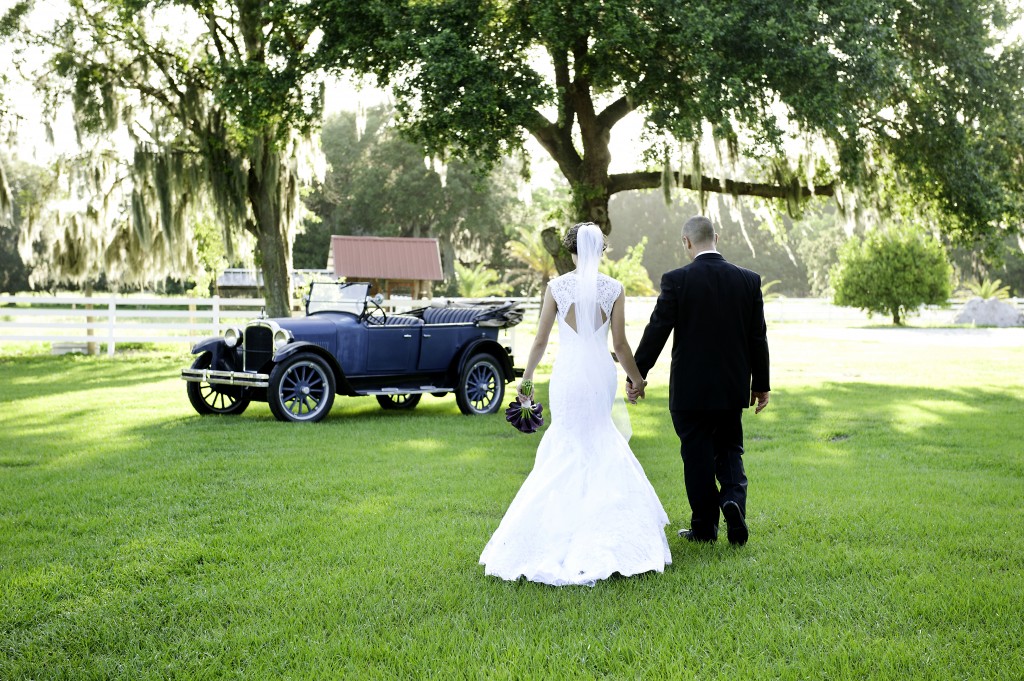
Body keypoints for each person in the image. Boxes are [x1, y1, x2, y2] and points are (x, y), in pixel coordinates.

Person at [480, 222, 671, 586]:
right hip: (599, 373)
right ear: (600, 252)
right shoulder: (613, 289)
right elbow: (620, 345)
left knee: (567, 439)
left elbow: (539, 340)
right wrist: (636, 378)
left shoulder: (557, 287)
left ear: (571, 252)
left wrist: (527, 379)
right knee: (598, 437)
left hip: (567, 375)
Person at [628, 215, 770, 546]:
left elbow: (657, 330)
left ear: (686, 242)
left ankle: (705, 528)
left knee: (697, 458)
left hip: (690, 391)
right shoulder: (748, 280)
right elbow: (758, 338)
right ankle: (733, 500)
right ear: (716, 238)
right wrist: (760, 384)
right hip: (732, 388)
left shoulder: (677, 280)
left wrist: (638, 375)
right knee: (730, 449)